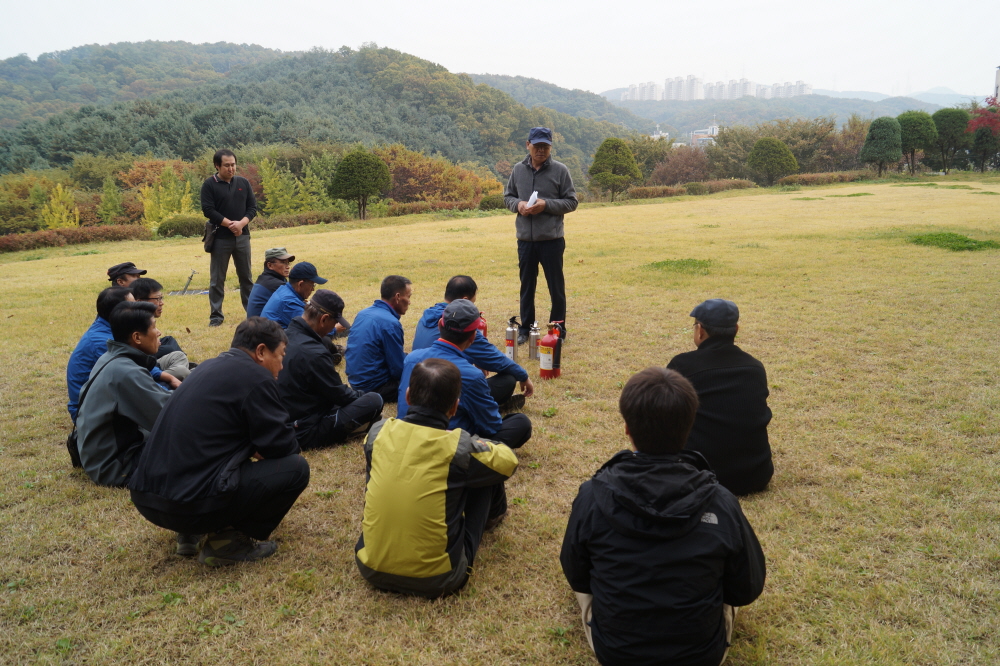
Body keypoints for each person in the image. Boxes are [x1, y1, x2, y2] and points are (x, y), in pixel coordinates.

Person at [560, 367, 766, 666]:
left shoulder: (592, 495)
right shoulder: (720, 500)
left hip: (617, 653)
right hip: (702, 656)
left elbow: (577, 574)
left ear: (627, 429)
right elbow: (746, 587)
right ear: (690, 426)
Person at [129, 317, 310, 565]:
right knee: (296, 469)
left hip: (147, 498)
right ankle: (228, 544)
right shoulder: (256, 377)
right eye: (280, 355)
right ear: (260, 352)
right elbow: (286, 448)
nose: (281, 366)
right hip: (188, 505)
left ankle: (190, 531)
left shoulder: (205, 368)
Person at [355, 357, 518, 598]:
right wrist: (473, 441)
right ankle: (494, 517)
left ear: (408, 396)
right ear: (454, 407)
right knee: (486, 470)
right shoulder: (458, 447)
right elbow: (508, 462)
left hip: (370, 567)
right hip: (440, 579)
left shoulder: (377, 433)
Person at [667, 299, 774, 496]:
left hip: (697, 476)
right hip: (755, 475)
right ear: (736, 329)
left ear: (700, 330)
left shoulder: (682, 365)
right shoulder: (754, 368)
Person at [398, 299, 532, 449]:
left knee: (504, 384)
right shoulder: (471, 375)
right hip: (449, 445)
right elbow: (491, 426)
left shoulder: (411, 359)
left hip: (408, 436)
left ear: (439, 325)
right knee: (520, 423)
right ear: (473, 337)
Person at [75, 302, 171, 487]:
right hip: (117, 467)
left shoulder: (111, 357)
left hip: (101, 458)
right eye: (154, 327)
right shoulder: (126, 372)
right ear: (137, 337)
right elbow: (168, 418)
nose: (158, 333)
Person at [277, 290, 383, 449]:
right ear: (324, 319)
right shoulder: (314, 353)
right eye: (334, 323)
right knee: (374, 400)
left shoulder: (283, 336)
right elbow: (341, 396)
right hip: (304, 431)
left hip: (282, 421)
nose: (334, 327)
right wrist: (363, 396)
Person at [503, 126, 578, 344]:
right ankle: (526, 328)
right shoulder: (518, 170)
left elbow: (571, 201)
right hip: (525, 240)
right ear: (528, 145)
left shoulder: (561, 170)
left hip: (552, 240)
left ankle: (557, 329)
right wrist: (519, 205)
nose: (541, 151)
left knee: (556, 286)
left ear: (551, 147)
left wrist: (546, 205)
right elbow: (508, 196)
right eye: (537, 146)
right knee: (527, 285)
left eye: (545, 146)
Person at [413, 275, 533, 410]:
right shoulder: (460, 324)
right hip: (445, 393)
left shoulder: (427, 316)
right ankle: (490, 408)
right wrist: (523, 376)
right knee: (508, 380)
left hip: (419, 389)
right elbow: (495, 359)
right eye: (473, 303)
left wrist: (474, 358)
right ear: (465, 300)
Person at [201, 148, 257, 327]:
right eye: (226, 165)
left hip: (243, 237)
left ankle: (252, 313)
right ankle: (216, 316)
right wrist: (230, 224)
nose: (231, 168)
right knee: (217, 279)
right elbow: (208, 210)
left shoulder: (243, 183)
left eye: (233, 165)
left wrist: (241, 224)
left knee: (246, 277)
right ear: (217, 166)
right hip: (220, 238)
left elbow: (252, 208)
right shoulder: (209, 184)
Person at [67, 287, 138, 423]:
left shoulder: (110, 328)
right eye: (133, 306)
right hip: (92, 414)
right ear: (118, 312)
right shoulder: (103, 342)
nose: (138, 310)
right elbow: (135, 378)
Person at [345, 275, 411, 402]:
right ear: (397, 297)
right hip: (375, 387)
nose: (409, 301)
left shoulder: (363, 313)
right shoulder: (390, 323)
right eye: (408, 296)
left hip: (356, 382)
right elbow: (398, 370)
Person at [130, 277, 192, 381]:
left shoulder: (140, 317)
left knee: (172, 345)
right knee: (177, 363)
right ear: (139, 301)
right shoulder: (129, 321)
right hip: (143, 374)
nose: (161, 303)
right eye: (157, 299)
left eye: (161, 298)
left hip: (149, 368)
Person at [260, 261, 332, 330]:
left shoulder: (285, 289)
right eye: (312, 285)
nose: (313, 289)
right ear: (300, 284)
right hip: (274, 341)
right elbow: (313, 328)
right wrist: (335, 329)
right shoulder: (289, 302)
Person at [246, 247, 294, 318]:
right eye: (283, 262)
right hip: (262, 327)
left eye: (288, 263)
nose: (287, 267)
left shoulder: (267, 279)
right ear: (270, 265)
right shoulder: (274, 284)